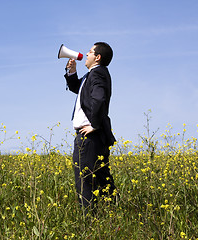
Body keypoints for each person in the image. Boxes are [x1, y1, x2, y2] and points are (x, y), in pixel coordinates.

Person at [64, 42, 117, 214]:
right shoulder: (93, 75)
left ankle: (89, 221)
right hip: (97, 136)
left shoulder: (97, 74)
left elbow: (99, 99)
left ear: (98, 57)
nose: (86, 54)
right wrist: (72, 72)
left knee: (84, 179)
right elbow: (77, 89)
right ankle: (114, 212)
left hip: (89, 136)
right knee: (101, 176)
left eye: (90, 51)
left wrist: (94, 125)